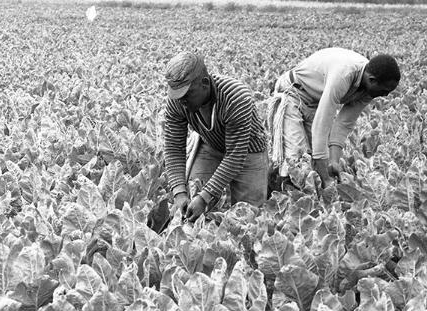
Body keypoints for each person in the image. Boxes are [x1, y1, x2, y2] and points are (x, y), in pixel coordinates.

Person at [267, 47, 400, 188]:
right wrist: (326, 179)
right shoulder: (344, 75)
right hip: (292, 93)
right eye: (384, 91)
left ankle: (282, 188)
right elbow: (322, 124)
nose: (385, 96)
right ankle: (278, 194)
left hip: (314, 102)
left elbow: (344, 123)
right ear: (372, 80)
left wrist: (334, 161)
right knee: (295, 159)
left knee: (311, 160)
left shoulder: (369, 88)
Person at [164, 52, 268, 222]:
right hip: (211, 145)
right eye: (176, 95)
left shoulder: (235, 98)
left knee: (248, 218)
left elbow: (235, 155)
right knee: (191, 200)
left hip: (248, 150)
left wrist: (205, 197)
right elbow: (173, 147)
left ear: (205, 83)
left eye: (186, 94)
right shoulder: (177, 101)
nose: (180, 100)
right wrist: (179, 192)